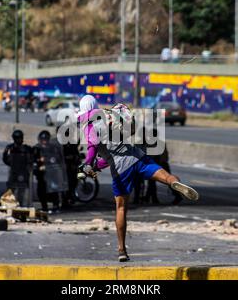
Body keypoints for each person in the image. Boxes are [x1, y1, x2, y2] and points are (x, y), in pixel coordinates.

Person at [77, 95, 199, 262]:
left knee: (121, 208)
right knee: (164, 175)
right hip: (138, 156)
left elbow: (93, 149)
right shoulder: (108, 116)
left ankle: (122, 250)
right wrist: (95, 166)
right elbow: (108, 157)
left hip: (121, 169)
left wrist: (87, 165)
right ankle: (174, 183)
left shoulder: (90, 125)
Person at [33, 130, 68, 213]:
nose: (44, 142)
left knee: (54, 190)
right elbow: (33, 159)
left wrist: (47, 161)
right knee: (41, 191)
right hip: (41, 174)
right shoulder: (36, 148)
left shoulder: (53, 148)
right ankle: (44, 207)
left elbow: (57, 159)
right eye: (42, 140)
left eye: (46, 139)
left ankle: (56, 206)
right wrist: (38, 164)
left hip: (52, 174)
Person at [2, 130, 33, 207]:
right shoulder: (10, 148)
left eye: (20, 138)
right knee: (11, 191)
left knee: (22, 192)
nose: (19, 140)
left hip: (23, 173)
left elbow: (31, 160)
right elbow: (5, 159)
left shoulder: (26, 149)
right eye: (17, 138)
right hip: (13, 172)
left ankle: (22, 206)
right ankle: (10, 206)